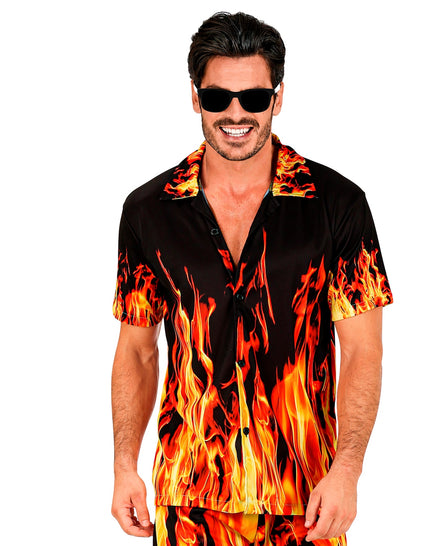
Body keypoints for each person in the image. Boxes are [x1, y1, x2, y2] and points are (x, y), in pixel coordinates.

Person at [111, 11, 393, 546]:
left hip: (306, 501)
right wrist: (125, 464)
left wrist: (348, 471)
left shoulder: (337, 205)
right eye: (218, 97)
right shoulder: (149, 211)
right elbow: (137, 351)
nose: (236, 113)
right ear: (195, 97)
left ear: (277, 99)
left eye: (255, 98)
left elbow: (363, 350)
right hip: (189, 499)